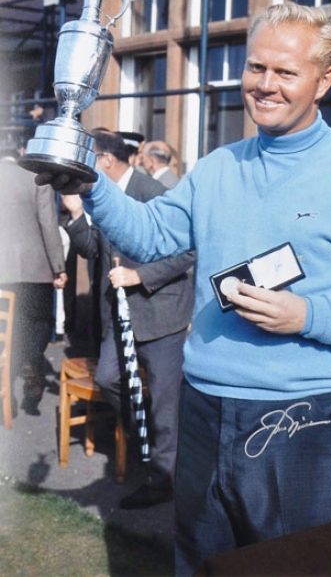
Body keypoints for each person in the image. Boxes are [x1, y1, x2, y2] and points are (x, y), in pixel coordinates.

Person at [37, 2, 331, 575]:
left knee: (304, 567)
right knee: (203, 565)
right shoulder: (219, 167)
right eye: (255, 68)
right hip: (206, 411)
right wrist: (91, 185)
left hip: (309, 424)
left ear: (325, 81)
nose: (264, 85)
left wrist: (307, 314)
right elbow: (151, 236)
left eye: (284, 72)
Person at [62, 129, 195, 509]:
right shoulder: (102, 193)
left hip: (161, 312)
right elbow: (93, 250)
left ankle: (165, 478)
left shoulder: (153, 192)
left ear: (105, 160)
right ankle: (147, 447)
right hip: (118, 317)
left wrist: (140, 276)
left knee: (166, 402)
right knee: (108, 377)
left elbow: (188, 251)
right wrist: (75, 216)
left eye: (88, 159)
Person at [0, 146, 67, 416]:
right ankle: (32, 378)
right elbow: (48, 224)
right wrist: (58, 266)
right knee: (37, 325)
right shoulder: (35, 176)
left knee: (5, 333)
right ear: (20, 151)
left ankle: (6, 396)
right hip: (35, 269)